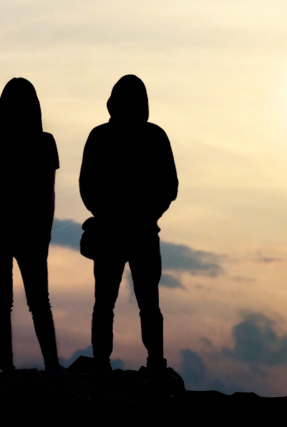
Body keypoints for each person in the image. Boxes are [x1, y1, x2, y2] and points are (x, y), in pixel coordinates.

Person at [79, 75, 178, 372]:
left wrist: (144, 216)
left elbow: (168, 186)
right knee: (114, 303)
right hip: (123, 232)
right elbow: (88, 186)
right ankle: (104, 362)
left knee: (143, 303)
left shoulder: (153, 137)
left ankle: (152, 362)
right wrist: (121, 216)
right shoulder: (103, 137)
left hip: (140, 232)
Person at [0, 78, 62, 373]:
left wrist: (43, 236)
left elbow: (47, 195)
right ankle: (23, 368)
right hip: (6, 235)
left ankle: (44, 367)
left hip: (26, 235)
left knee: (22, 304)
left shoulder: (41, 143)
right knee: (22, 303)